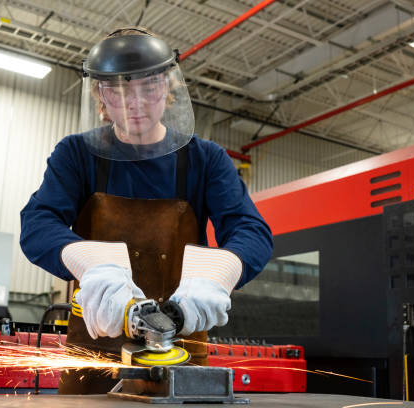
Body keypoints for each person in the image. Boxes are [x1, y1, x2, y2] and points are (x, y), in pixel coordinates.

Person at [20, 27, 273, 394]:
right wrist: (94, 268)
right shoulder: (76, 154)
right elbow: (39, 222)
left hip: (181, 347)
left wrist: (215, 278)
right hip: (94, 349)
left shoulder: (205, 160)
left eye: (148, 86)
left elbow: (250, 230)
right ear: (100, 94)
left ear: (168, 89)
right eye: (119, 90)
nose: (134, 103)